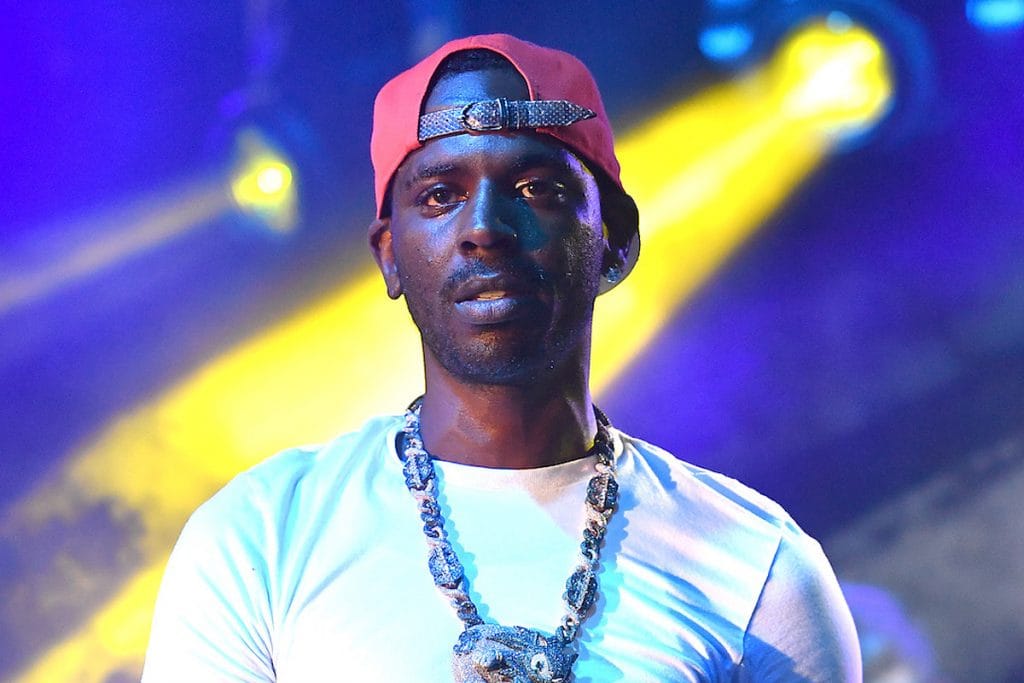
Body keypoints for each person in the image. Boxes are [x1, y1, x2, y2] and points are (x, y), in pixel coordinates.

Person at [142, 33, 861, 682]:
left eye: (535, 189)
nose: (484, 227)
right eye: (440, 195)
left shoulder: (757, 569)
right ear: (390, 256)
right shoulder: (260, 539)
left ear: (614, 241)